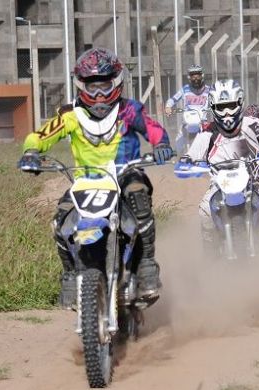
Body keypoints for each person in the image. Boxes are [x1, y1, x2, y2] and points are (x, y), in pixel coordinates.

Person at [17, 47, 175, 309]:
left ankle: (146, 265)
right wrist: (31, 152)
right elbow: (40, 136)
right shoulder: (69, 115)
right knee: (61, 219)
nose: (99, 94)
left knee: (138, 197)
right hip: (86, 180)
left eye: (104, 86)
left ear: (116, 83)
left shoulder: (129, 110)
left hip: (125, 173)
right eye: (92, 87)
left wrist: (161, 145)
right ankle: (70, 273)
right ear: (81, 86)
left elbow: (153, 128)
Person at [175, 80, 259, 250]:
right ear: (213, 107)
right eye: (221, 107)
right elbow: (189, 156)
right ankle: (211, 252)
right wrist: (186, 163)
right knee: (204, 210)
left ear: (240, 104)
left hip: (250, 182)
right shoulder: (207, 132)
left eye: (230, 106)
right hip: (218, 185)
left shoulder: (251, 124)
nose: (227, 112)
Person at [164, 64, 211, 150]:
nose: (196, 79)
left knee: (210, 141)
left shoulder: (209, 90)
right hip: (187, 122)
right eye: (193, 76)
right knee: (178, 143)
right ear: (189, 78)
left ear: (202, 76)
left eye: (198, 76)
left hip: (203, 123)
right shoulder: (185, 90)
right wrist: (168, 107)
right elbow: (173, 99)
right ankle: (179, 155)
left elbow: (217, 100)